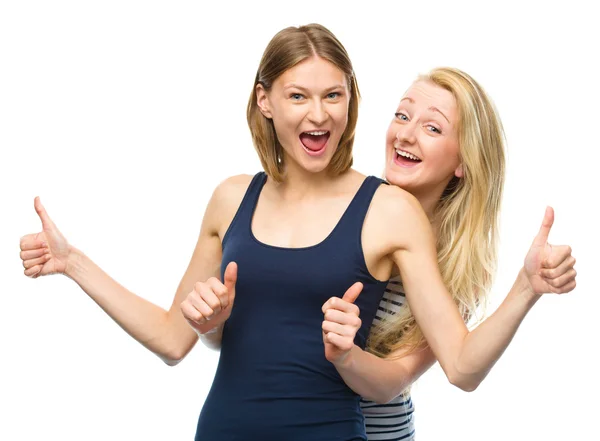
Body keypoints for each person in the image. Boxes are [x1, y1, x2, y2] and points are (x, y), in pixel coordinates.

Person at [20, 25, 576, 441]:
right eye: (298, 96)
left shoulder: (389, 211)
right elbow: (172, 340)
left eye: (333, 95)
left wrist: (526, 287)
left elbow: (460, 366)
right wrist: (74, 264)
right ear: (264, 100)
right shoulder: (231, 197)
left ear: (351, 100)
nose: (319, 114)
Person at [320, 68, 577, 441]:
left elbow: (453, 371)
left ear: (462, 162)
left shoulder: (453, 268)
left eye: (433, 128)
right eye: (402, 115)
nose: (405, 134)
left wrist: (527, 287)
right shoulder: (342, 209)